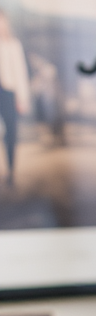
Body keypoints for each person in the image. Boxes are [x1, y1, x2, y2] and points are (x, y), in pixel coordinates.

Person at [0, 11, 31, 186]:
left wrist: (23, 98)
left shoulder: (13, 45)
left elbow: (20, 73)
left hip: (9, 93)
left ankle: (10, 170)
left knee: (11, 132)